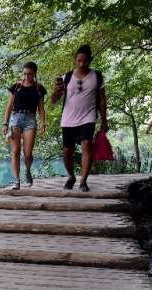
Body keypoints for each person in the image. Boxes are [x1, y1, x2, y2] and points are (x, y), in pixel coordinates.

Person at [51, 45, 108, 192]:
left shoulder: (97, 76)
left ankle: (83, 181)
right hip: (68, 119)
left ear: (90, 60)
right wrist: (56, 92)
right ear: (75, 60)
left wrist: (104, 120)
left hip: (88, 117)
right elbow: (53, 101)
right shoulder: (66, 77)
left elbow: (102, 100)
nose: (82, 64)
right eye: (79, 61)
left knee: (87, 145)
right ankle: (71, 176)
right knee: (67, 151)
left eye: (85, 61)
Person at [1, 62, 47, 189]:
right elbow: (9, 106)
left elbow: (41, 109)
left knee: (28, 154)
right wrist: (5, 123)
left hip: (30, 120)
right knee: (15, 151)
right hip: (15, 119)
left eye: (29, 74)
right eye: (24, 74)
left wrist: (43, 122)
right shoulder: (16, 87)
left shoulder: (39, 89)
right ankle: (16, 180)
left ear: (35, 74)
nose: (26, 77)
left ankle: (27, 171)